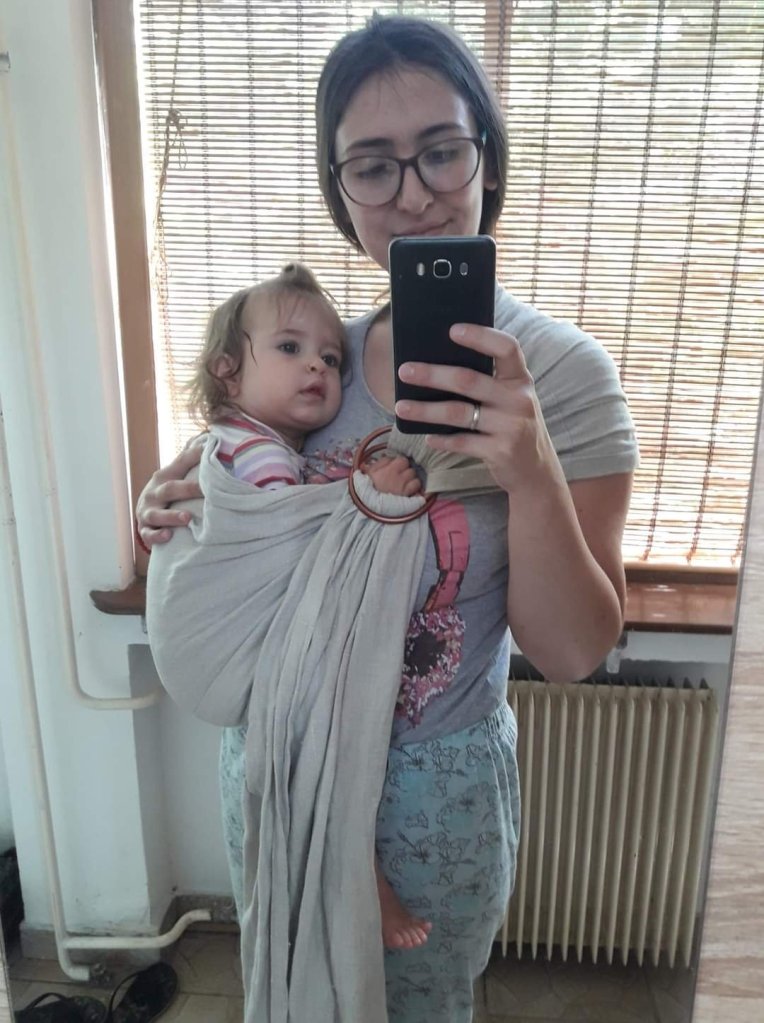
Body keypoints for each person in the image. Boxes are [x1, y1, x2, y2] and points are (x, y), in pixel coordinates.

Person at [137, 14, 637, 1022]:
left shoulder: (567, 375)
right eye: (372, 166)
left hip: (432, 795)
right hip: (283, 767)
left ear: (485, 154)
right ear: (341, 191)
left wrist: (530, 471)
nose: (412, 193)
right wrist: (166, 508)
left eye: (441, 151)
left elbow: (574, 650)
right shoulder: (306, 362)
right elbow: (237, 521)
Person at [184, 260, 433, 951]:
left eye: (330, 357)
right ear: (228, 371)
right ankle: (365, 877)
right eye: (290, 348)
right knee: (330, 748)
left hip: (262, 652)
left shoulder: (228, 444)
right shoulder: (260, 458)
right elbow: (303, 553)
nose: (317, 366)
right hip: (271, 643)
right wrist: (370, 493)